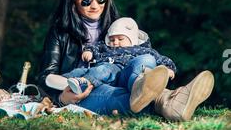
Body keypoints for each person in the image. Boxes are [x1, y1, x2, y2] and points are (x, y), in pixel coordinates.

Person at [37, 0, 214, 120]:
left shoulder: (117, 26)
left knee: (146, 58)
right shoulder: (60, 32)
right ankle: (169, 101)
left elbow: (141, 52)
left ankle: (161, 98)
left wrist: (163, 66)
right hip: (84, 91)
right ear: (73, 2)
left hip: (123, 80)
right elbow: (46, 76)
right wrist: (61, 98)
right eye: (86, 1)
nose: (95, 5)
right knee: (126, 100)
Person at [45, 17, 177, 113]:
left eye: (120, 39)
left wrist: (169, 68)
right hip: (107, 72)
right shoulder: (106, 48)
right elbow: (95, 47)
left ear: (133, 39)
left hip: (125, 73)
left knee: (146, 60)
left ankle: (139, 86)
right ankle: (68, 80)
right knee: (92, 70)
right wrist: (89, 52)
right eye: (112, 39)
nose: (115, 42)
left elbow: (161, 59)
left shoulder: (142, 50)